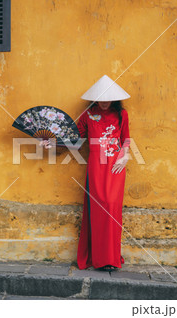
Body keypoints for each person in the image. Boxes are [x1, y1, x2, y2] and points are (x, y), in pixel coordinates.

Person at [40, 75, 131, 272]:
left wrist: (125, 156)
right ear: (95, 98)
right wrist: (53, 143)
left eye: (108, 99)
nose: (104, 103)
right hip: (96, 167)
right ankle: (99, 258)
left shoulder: (121, 115)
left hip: (115, 166)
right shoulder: (88, 115)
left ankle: (112, 258)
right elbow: (76, 139)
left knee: (112, 207)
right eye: (100, 99)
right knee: (99, 209)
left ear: (115, 98)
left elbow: (126, 139)